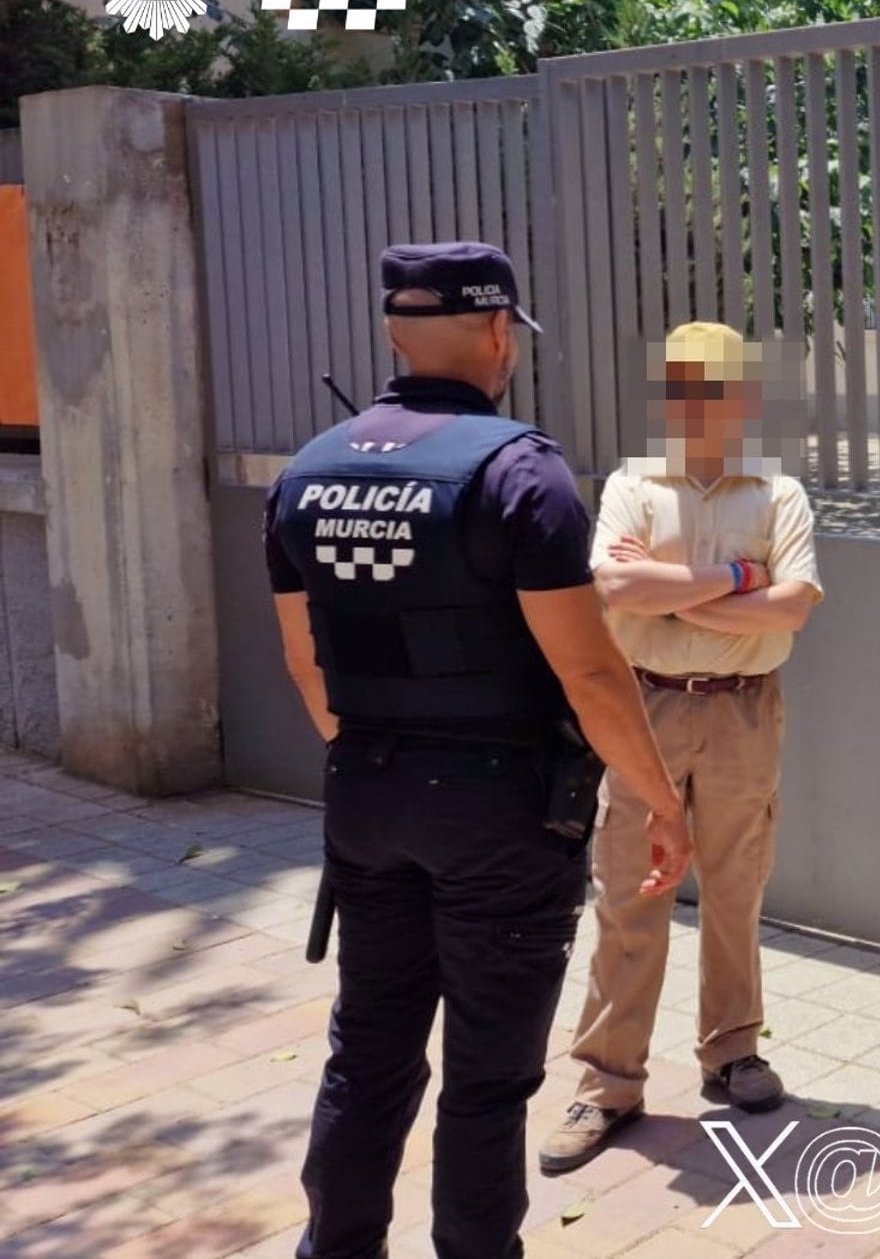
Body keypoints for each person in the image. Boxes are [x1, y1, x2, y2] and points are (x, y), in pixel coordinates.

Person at [264, 240, 692, 1259]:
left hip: (364, 798)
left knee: (365, 1057)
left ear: (390, 333)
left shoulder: (306, 473)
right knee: (488, 1084)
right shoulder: (518, 473)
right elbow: (590, 676)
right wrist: (660, 803)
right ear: (499, 332)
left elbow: (303, 664)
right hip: (501, 815)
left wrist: (381, 758)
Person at [539, 320, 822, 1176]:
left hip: (743, 712)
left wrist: (676, 598)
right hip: (644, 708)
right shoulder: (633, 485)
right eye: (688, 388)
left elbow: (796, 603)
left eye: (722, 387)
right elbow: (612, 585)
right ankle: (608, 1082)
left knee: (736, 887)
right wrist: (741, 581)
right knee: (630, 893)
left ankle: (732, 1053)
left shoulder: (778, 494)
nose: (706, 405)